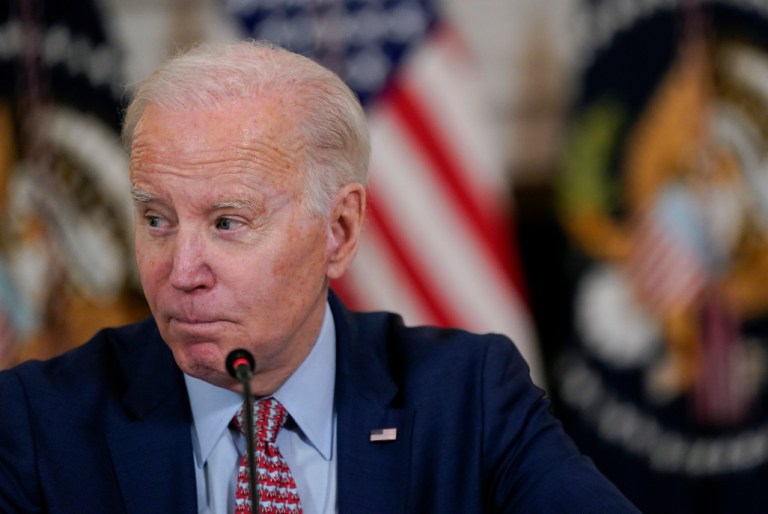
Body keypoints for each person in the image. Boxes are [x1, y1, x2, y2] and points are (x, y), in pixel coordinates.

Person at [0, 40, 639, 513]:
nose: (180, 271)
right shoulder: (36, 422)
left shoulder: (467, 399)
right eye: (157, 219)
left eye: (227, 222)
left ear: (339, 231)